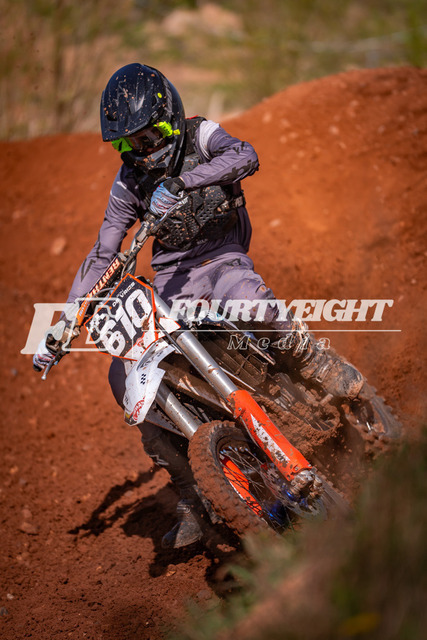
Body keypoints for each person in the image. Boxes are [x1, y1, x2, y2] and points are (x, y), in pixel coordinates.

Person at [33, 63, 363, 548]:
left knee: (250, 304)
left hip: (222, 256)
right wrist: (63, 324)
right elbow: (104, 252)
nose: (142, 150)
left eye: (149, 136)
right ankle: (193, 493)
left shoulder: (200, 135)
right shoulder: (129, 181)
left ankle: (314, 361)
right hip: (173, 279)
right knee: (123, 380)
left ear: (170, 119)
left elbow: (245, 155)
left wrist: (184, 183)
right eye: (128, 144)